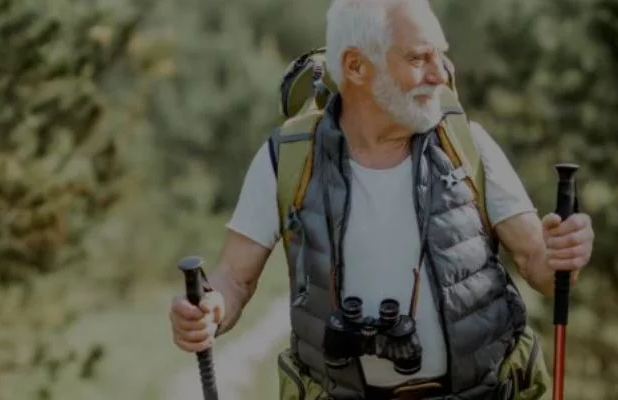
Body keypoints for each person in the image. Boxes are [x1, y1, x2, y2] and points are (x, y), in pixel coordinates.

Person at [166, 0, 595, 399]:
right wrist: (208, 310)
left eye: (438, 55)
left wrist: (563, 253)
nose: (439, 75)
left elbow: (540, 268)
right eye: (417, 58)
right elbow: (234, 279)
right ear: (356, 66)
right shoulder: (289, 157)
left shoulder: (466, 144)